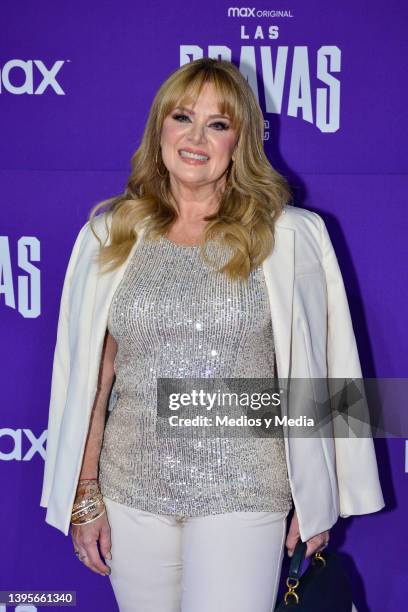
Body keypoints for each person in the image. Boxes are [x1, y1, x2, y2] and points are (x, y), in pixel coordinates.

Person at [40, 58, 385, 612]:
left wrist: (319, 498)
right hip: (131, 493)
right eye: (182, 118)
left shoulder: (291, 237)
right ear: (160, 131)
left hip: (246, 490)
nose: (196, 137)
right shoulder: (109, 235)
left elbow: (328, 372)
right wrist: (86, 495)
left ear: (240, 141)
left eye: (218, 124)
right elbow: (91, 381)